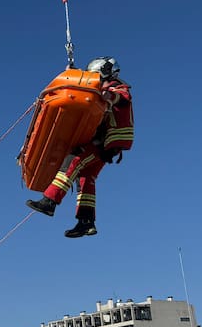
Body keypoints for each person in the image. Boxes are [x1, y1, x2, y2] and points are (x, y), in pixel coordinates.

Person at [26, 56, 134, 238]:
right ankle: (86, 222)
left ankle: (49, 201)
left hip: (108, 141)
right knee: (85, 177)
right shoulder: (109, 88)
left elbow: (119, 98)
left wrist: (108, 96)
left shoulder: (117, 86)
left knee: (72, 162)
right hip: (110, 143)